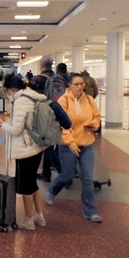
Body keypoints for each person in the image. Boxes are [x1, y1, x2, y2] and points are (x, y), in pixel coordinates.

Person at [44, 73, 103, 223]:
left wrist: (94, 125)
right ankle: (52, 191)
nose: (80, 87)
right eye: (76, 84)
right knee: (67, 175)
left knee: (88, 178)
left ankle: (90, 211)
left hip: (87, 144)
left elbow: (97, 117)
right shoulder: (63, 101)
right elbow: (62, 125)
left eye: (82, 84)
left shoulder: (89, 100)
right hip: (68, 145)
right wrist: (71, 143)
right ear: (69, 86)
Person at [0, 74, 48, 230]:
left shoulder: (21, 100)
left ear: (11, 89)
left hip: (25, 149)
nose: (8, 95)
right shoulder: (34, 96)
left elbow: (16, 130)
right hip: (36, 146)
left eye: (8, 91)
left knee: (25, 186)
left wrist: (2, 123)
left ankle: (29, 221)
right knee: (33, 183)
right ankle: (40, 216)